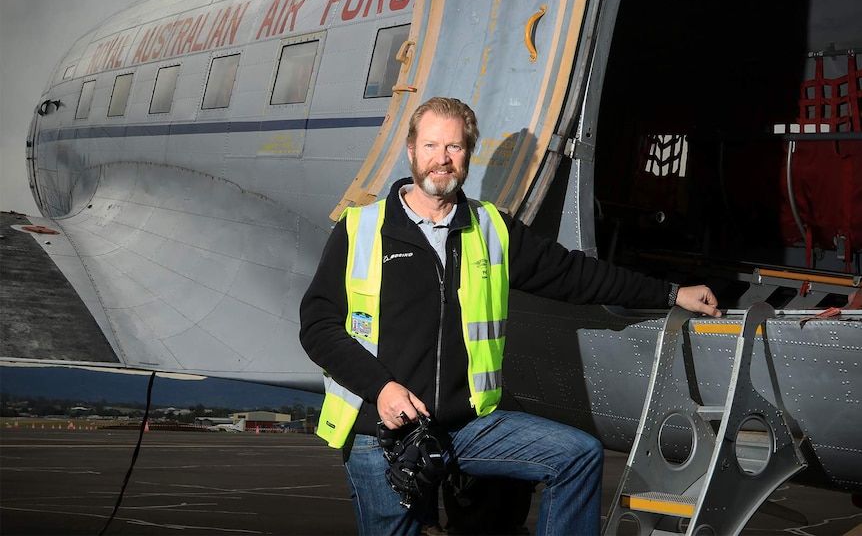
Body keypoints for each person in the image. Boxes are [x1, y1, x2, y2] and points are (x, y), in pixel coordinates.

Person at [299, 97, 721, 535]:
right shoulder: (359, 228)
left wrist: (671, 292)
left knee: (577, 455)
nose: (441, 159)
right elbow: (318, 327)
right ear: (411, 151)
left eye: (454, 148)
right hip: (383, 431)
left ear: (468, 154)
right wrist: (382, 390)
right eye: (430, 146)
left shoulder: (491, 229)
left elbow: (576, 275)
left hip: (469, 427)